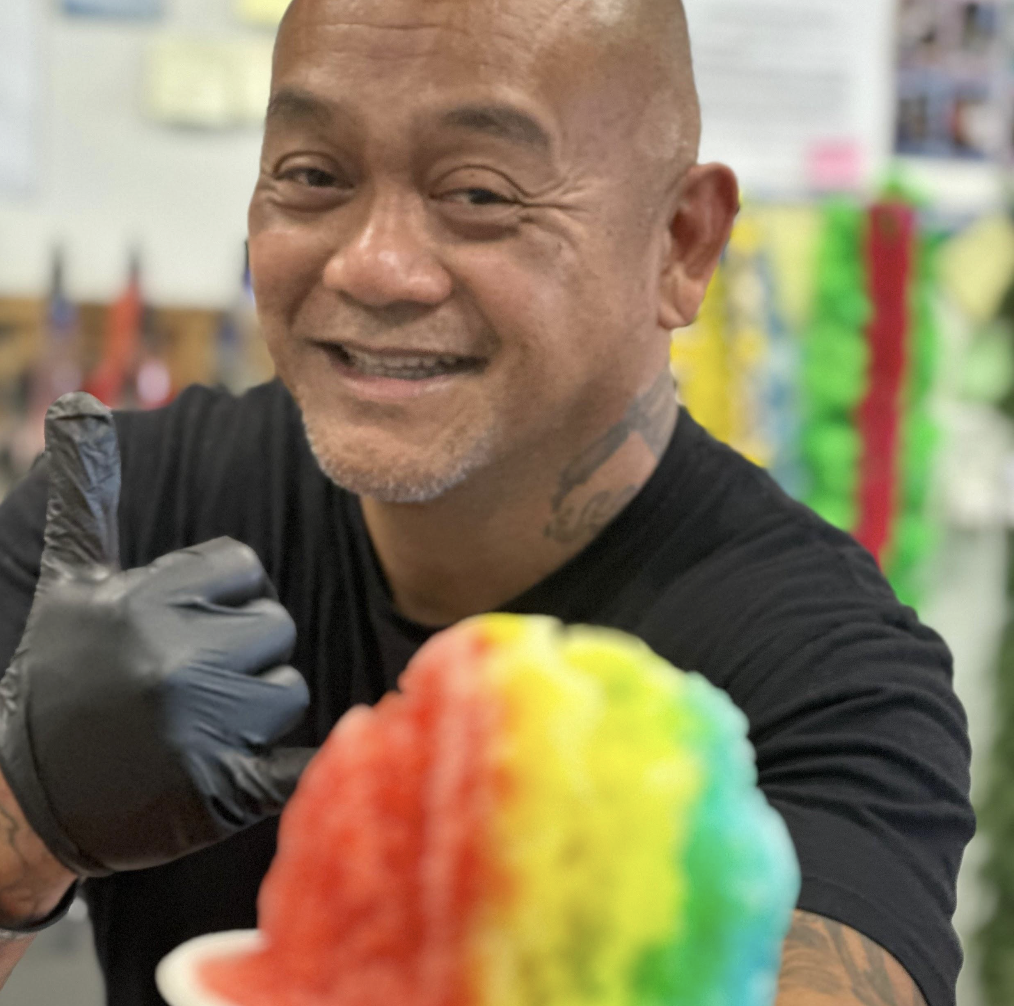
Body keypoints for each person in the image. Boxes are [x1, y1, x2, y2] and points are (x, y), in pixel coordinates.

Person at [0, 0, 974, 1004]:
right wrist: (32, 822)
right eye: (312, 176)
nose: (372, 263)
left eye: (478, 192)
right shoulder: (118, 520)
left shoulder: (826, 667)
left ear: (681, 244)